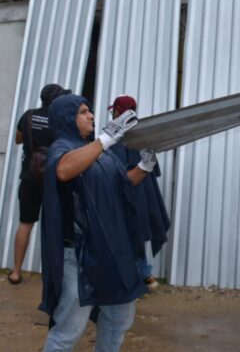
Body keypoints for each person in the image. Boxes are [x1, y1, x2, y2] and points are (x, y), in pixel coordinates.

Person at [39, 93, 157, 352]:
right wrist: (105, 140)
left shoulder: (98, 153)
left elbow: (123, 184)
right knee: (69, 329)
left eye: (90, 111)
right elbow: (63, 169)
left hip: (110, 250)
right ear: (66, 118)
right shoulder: (63, 148)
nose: (91, 115)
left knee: (118, 318)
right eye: (83, 112)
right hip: (79, 255)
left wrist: (145, 166)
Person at [108, 95, 171, 292]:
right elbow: (154, 171)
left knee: (127, 235)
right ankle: (146, 274)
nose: (112, 113)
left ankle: (133, 281)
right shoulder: (144, 134)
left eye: (114, 111)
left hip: (129, 194)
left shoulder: (118, 137)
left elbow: (118, 175)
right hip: (145, 195)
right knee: (138, 233)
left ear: (118, 112)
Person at [9, 83, 68, 285]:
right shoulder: (60, 120)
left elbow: (18, 140)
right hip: (55, 179)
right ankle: (53, 276)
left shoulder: (29, 116)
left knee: (25, 223)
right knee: (55, 227)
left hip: (30, 176)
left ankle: (16, 271)